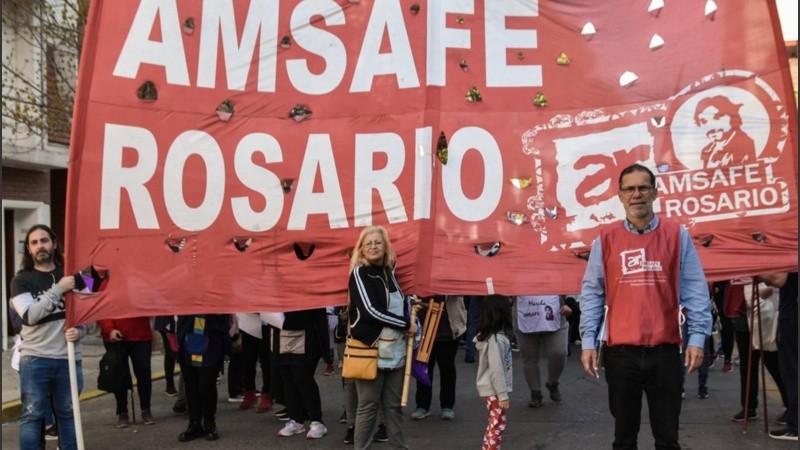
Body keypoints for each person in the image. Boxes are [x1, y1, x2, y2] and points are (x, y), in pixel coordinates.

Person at [579, 163, 712, 449]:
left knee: (667, 438)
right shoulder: (605, 239)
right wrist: (588, 341)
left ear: (654, 192)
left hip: (665, 354)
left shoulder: (677, 235)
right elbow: (592, 293)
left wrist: (698, 338)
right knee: (623, 439)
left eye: (642, 188)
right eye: (629, 189)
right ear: (620, 195)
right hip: (621, 355)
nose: (636, 194)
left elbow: (695, 289)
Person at [10, 224, 87, 450]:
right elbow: (30, 316)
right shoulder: (21, 280)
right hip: (35, 358)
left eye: (44, 240)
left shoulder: (75, 275)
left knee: (68, 414)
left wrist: (80, 330)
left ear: (54, 243)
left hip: (69, 358)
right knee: (33, 415)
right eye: (34, 243)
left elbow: (87, 313)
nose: (40, 246)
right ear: (29, 250)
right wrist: (59, 289)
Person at [347, 225, 419, 450]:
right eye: (368, 243)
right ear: (361, 249)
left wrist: (411, 308)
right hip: (371, 349)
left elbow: (396, 306)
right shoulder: (359, 273)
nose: (373, 247)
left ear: (385, 246)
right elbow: (370, 310)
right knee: (368, 407)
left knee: (393, 407)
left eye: (378, 242)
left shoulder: (389, 272)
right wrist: (406, 324)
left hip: (395, 350)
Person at [722, 280, 787, 422]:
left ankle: (791, 405)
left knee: (772, 360)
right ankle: (748, 407)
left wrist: (770, 287)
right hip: (741, 310)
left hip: (762, 308)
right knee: (747, 362)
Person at [275, 308, 330, 440]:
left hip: (305, 333)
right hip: (281, 332)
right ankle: (296, 420)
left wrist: (326, 353)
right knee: (287, 379)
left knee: (303, 378)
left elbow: (319, 317)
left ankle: (317, 421)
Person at [411, 295, 467, 420]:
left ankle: (447, 405)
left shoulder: (453, 276)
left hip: (449, 327)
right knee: (424, 367)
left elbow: (462, 291)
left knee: (447, 368)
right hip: (424, 326)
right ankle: (422, 405)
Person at [176, 313, 231, 442]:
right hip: (187, 336)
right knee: (191, 385)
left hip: (211, 337)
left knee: (207, 385)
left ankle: (210, 424)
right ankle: (194, 425)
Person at [97, 316, 156, 427]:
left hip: (140, 333)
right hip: (115, 334)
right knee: (119, 374)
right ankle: (122, 411)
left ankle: (146, 409)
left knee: (144, 372)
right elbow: (101, 308)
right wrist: (109, 329)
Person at [760, 272, 798, 441]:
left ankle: (795, 426)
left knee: (792, 371)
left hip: (792, 315)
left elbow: (778, 279)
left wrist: (758, 272)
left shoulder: (791, 248)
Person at [514, 295, 571, 407]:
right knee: (529, 357)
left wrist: (569, 303)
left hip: (555, 312)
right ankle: (536, 393)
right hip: (525, 312)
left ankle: (552, 382)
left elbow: (569, 282)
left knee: (559, 352)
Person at [474, 294, 514, 450]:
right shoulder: (496, 340)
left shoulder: (489, 337)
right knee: (497, 425)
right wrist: (502, 394)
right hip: (494, 389)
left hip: (490, 389)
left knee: (495, 423)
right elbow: (496, 369)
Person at [693, 95, 757, 168]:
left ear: (730, 117)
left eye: (716, 117)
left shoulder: (745, 143)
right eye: (703, 121)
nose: (711, 126)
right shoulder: (706, 150)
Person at [235, 312, 274, 412]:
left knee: (266, 360)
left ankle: (267, 394)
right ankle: (249, 391)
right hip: (247, 318)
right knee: (247, 359)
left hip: (266, 319)